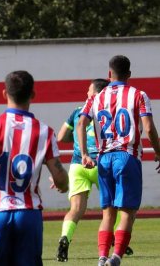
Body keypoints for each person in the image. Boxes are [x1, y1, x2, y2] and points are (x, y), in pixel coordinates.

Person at [0, 70, 69, 265]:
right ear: (33, 95)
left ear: (5, 93)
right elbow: (59, 176)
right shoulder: (45, 132)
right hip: (28, 214)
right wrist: (64, 185)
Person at [77, 55, 160, 266]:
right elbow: (149, 128)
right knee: (127, 213)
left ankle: (102, 256)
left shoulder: (96, 97)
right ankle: (115, 258)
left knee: (107, 214)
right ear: (129, 75)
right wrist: (159, 151)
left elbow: (81, 124)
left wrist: (85, 154)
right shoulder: (139, 95)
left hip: (103, 158)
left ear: (109, 74)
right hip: (127, 156)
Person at [55, 79, 133, 262]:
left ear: (95, 92)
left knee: (75, 209)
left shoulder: (77, 111)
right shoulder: (108, 111)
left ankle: (65, 237)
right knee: (111, 209)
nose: (86, 92)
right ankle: (116, 241)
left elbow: (61, 136)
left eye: (89, 90)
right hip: (101, 164)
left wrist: (76, 141)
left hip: (78, 165)